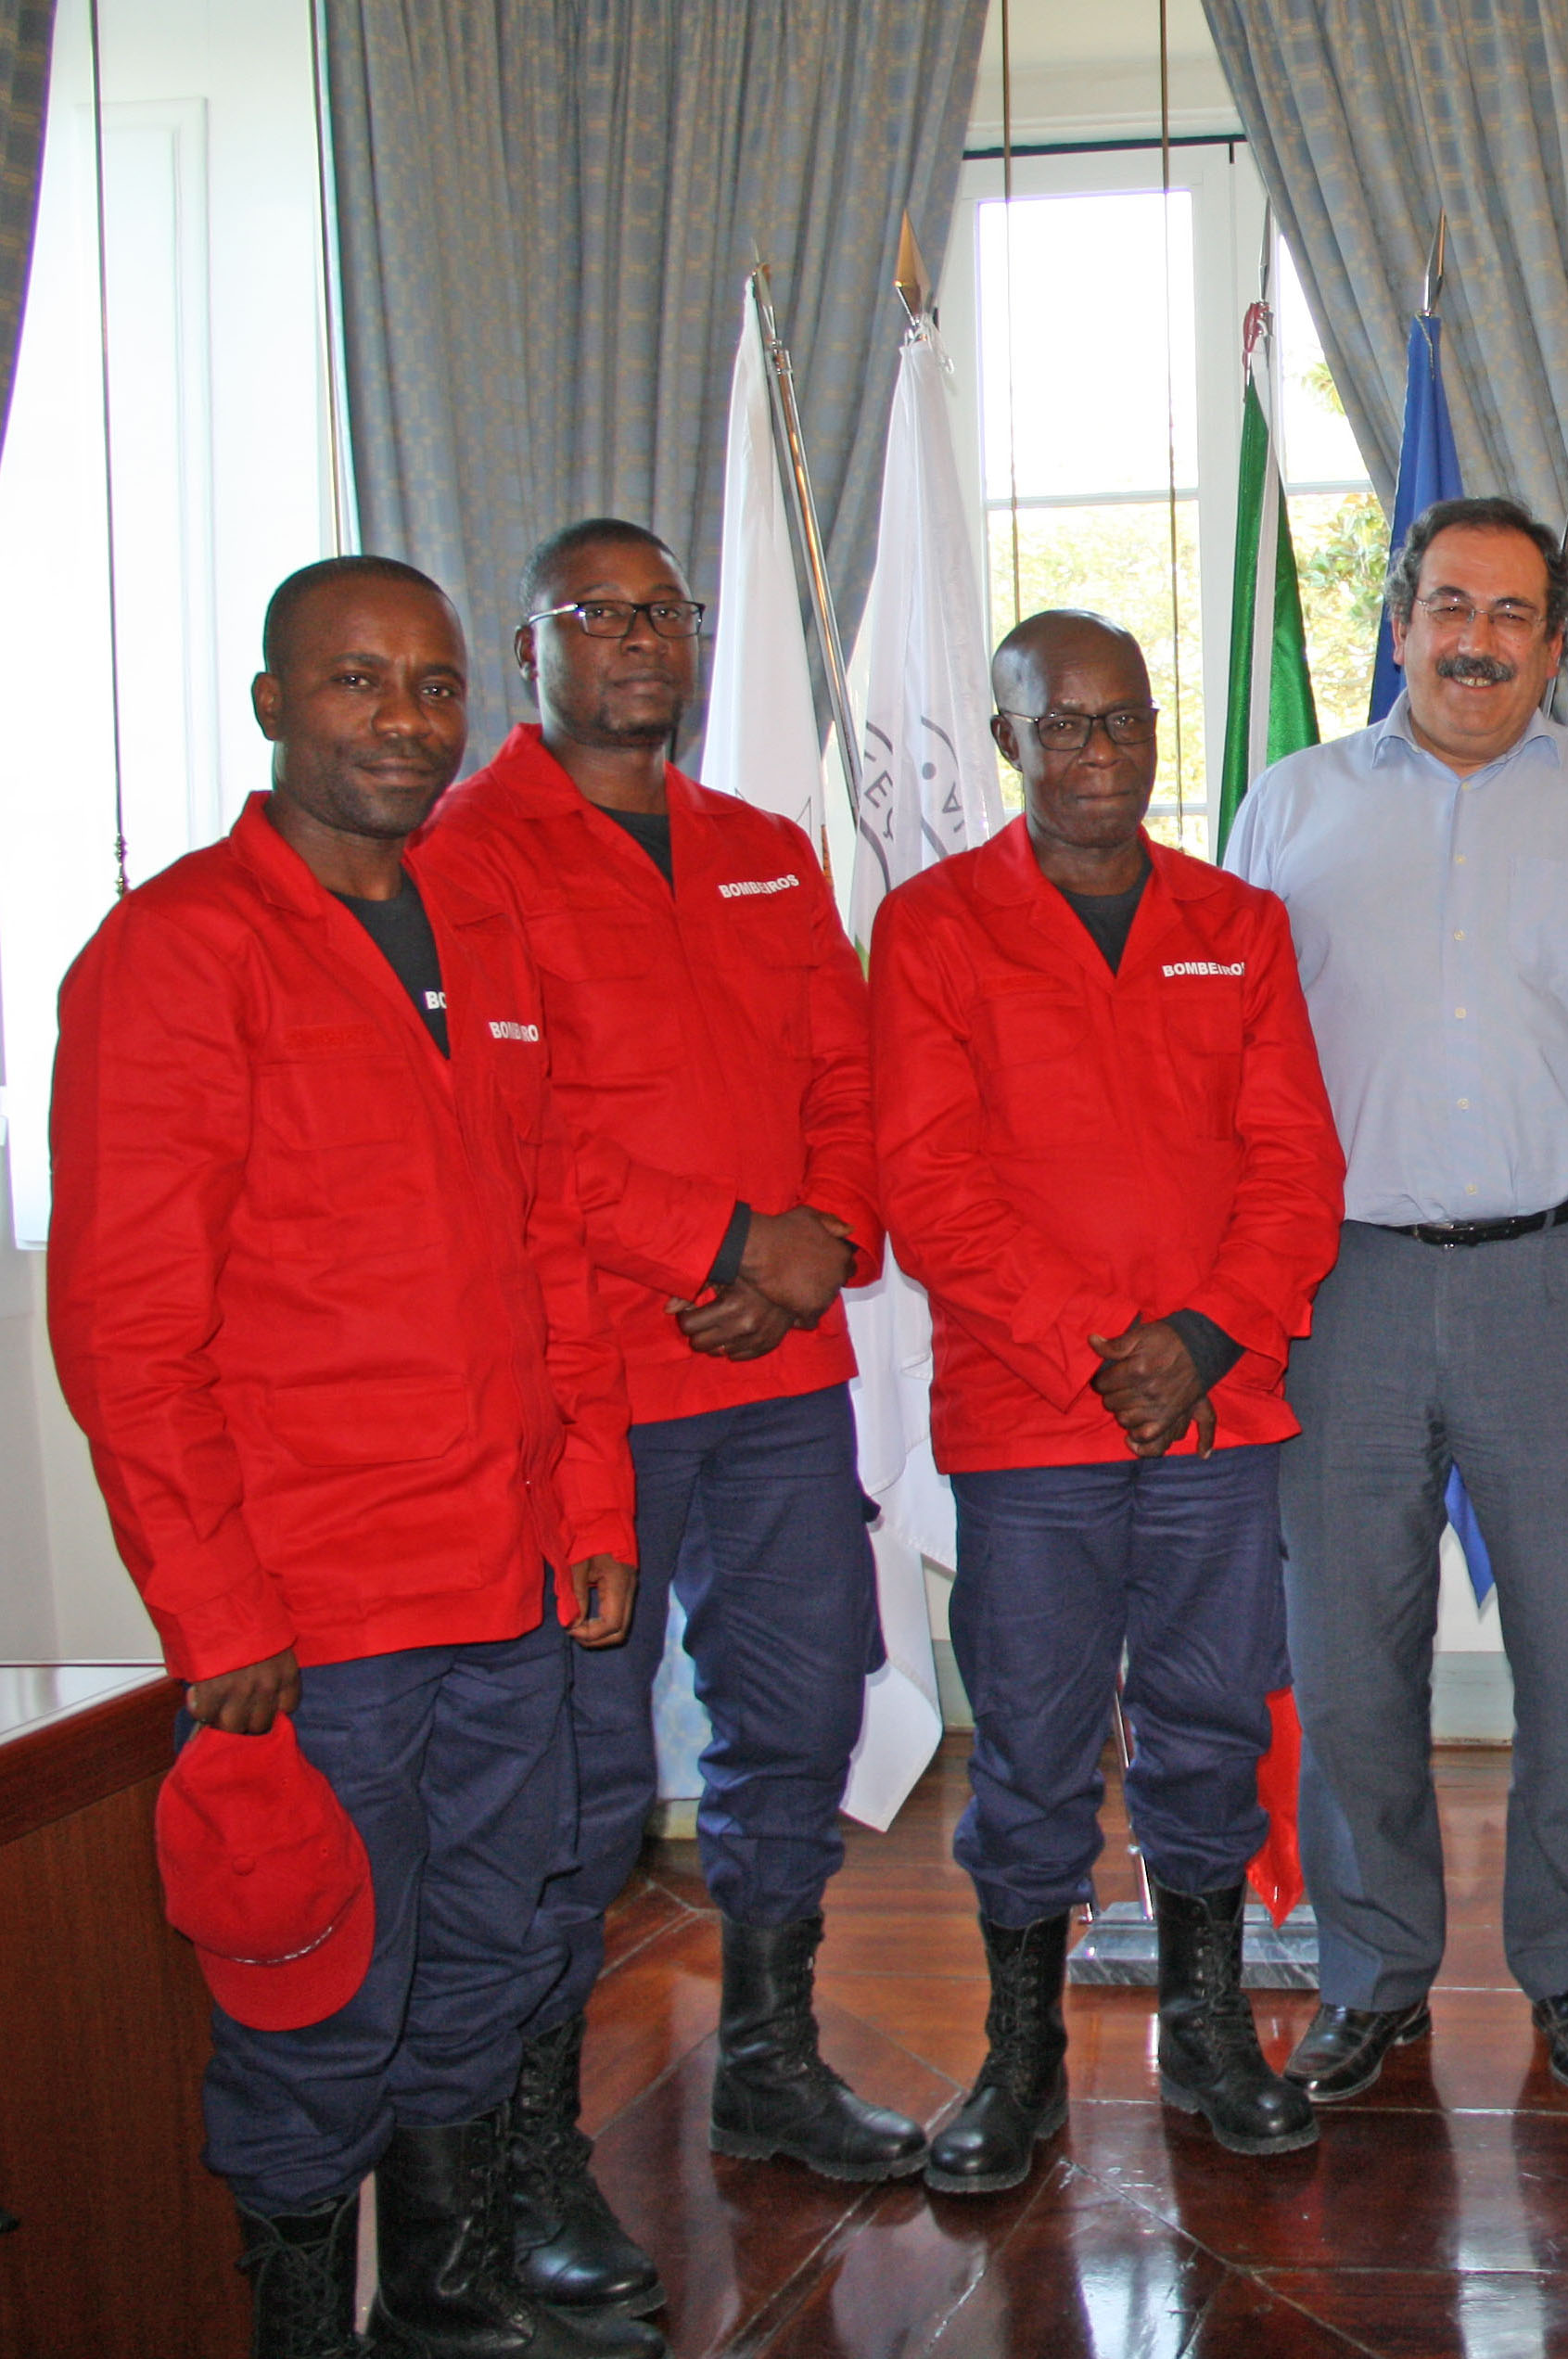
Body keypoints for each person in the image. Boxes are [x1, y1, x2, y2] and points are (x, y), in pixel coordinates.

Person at [48, 557, 663, 2359]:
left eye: (434, 686)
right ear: (269, 705)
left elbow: (547, 1241)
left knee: (484, 1961)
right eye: (357, 682)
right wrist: (215, 1609)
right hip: (314, 1626)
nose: (404, 721)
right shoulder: (174, 958)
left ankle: (447, 2305)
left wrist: (596, 1496)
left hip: (508, 1589)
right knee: (316, 1996)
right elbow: (128, 1337)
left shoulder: (483, 937)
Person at [417, 520, 922, 2293]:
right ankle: (534, 2148)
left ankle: (769, 2064)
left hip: (781, 1379)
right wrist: (720, 1237)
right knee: (575, 1772)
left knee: (793, 1710)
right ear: (531, 637)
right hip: (592, 1391)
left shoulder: (765, 851)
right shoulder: (467, 854)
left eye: (663, 611)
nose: (639, 639)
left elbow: (848, 1078)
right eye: (597, 613)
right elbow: (515, 1129)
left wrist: (822, 1238)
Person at [1228, 497, 1568, 2099]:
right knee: (1352, 1644)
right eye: (1449, 603)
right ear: (1394, 615)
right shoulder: (1289, 807)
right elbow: (1229, 1065)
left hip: (1565, 1278)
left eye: (1514, 615)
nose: (1476, 640)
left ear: (1557, 642)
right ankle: (1374, 1972)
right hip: (1342, 1287)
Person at [873, 611, 1346, 2178]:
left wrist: (1201, 1337)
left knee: (1209, 1720)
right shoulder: (933, 927)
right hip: (1032, 1420)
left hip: (1213, 1410)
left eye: (1122, 719)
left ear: (1157, 730)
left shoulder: (1243, 919)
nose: (1096, 753)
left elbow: (1297, 1167)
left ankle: (1206, 2024)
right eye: (1060, 724)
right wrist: (1101, 1341)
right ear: (1007, 740)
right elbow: (930, 1189)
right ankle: (1020, 2058)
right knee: (1031, 1736)